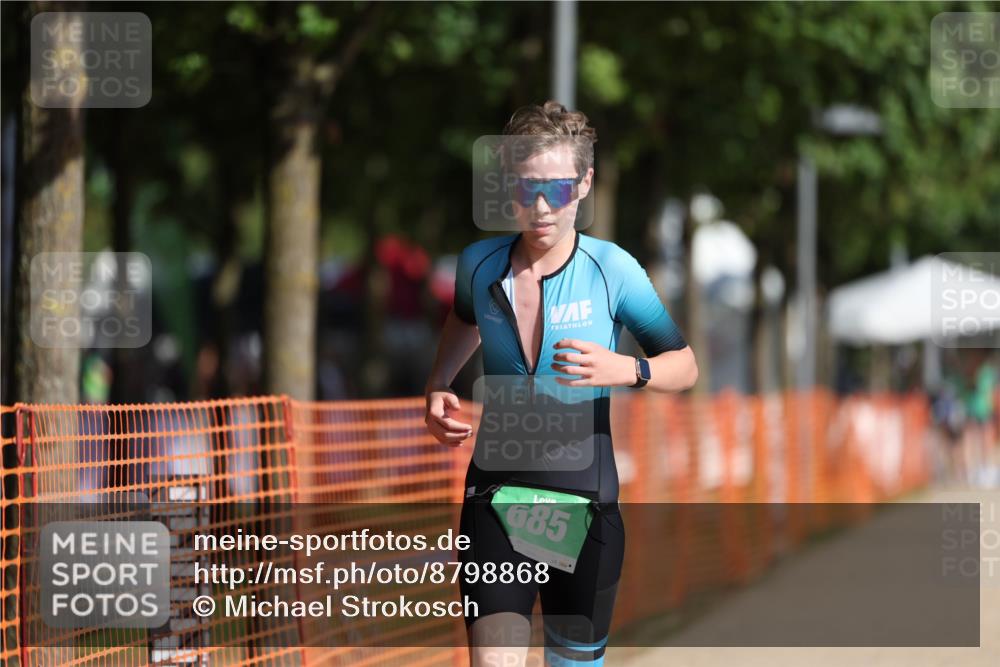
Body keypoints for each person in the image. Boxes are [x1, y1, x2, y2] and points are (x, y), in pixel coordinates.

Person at [424, 101, 698, 667]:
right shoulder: (479, 264)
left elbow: (684, 365)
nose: (542, 206)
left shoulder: (611, 269)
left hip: (583, 505)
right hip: (495, 498)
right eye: (526, 189)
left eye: (557, 188)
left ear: (584, 184)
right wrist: (437, 385)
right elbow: (463, 318)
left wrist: (629, 369)